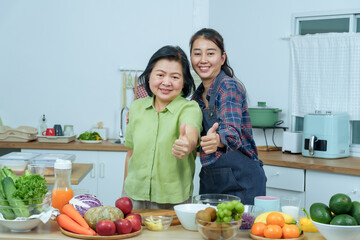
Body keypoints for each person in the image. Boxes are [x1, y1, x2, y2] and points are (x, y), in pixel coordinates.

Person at [189, 28, 266, 204]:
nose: (203, 60)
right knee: (208, 231)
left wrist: (217, 140)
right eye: (197, 53)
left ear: (222, 58)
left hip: (243, 182)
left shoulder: (228, 87)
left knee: (241, 232)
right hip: (211, 181)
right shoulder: (195, 98)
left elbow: (231, 131)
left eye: (210, 53)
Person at [123, 45, 203, 209]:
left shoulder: (190, 108)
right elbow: (130, 153)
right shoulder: (136, 107)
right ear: (149, 76)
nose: (166, 82)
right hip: (133, 197)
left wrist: (186, 145)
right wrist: (124, 191)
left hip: (172, 202)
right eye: (160, 75)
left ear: (184, 81)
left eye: (175, 77)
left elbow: (191, 134)